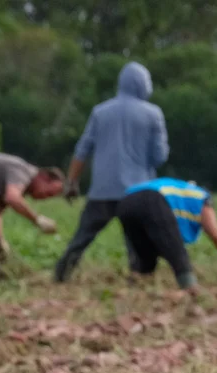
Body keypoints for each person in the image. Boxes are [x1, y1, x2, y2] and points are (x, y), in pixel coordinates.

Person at [53, 62, 169, 283]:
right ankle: (138, 277)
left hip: (102, 191)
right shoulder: (153, 114)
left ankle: (61, 275)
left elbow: (82, 150)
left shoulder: (100, 111)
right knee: (136, 239)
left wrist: (71, 182)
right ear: (144, 84)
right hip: (137, 190)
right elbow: (160, 156)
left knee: (82, 237)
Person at [115, 178, 217, 291]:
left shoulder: (182, 191)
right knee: (175, 248)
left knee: (145, 254)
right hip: (152, 198)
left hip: (126, 202)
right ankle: (190, 288)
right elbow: (215, 233)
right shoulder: (203, 198)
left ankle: (135, 287)